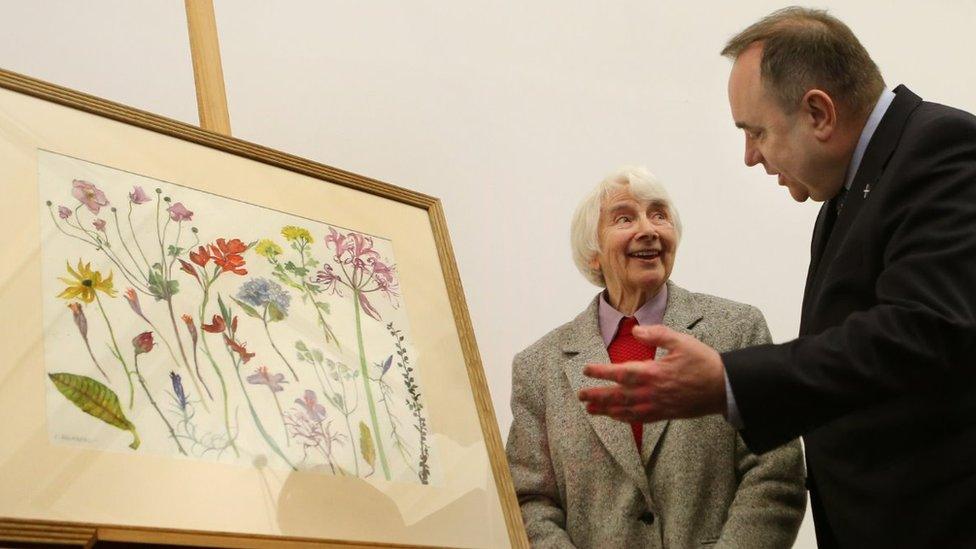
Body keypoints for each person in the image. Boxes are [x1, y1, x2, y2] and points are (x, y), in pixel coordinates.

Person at [578, 7, 976, 547]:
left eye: (756, 131)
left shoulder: (945, 149)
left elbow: (921, 331)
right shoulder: (845, 195)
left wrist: (728, 382)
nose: (749, 156)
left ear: (818, 112)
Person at [507, 166, 805, 548]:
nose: (648, 229)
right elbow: (530, 500)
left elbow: (775, 471)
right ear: (592, 254)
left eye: (659, 214)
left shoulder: (737, 329)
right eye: (625, 218)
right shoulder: (539, 368)